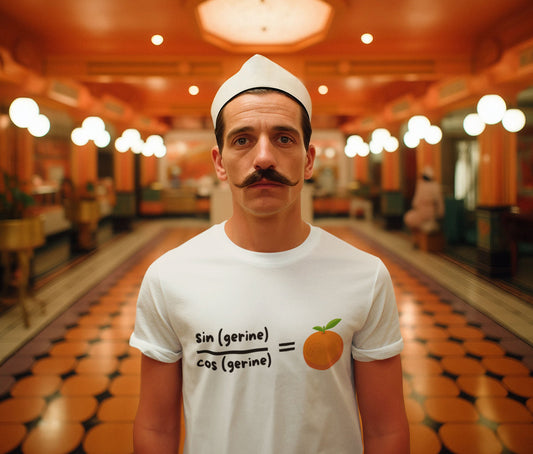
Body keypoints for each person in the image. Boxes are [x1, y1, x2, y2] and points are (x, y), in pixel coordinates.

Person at [130, 54, 409, 454]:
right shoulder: (169, 277)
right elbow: (156, 427)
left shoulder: (365, 276)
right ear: (220, 163)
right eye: (242, 140)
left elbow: (385, 430)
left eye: (283, 138)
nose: (263, 158)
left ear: (308, 160)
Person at [404, 166, 445, 234]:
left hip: (427, 215)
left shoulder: (421, 186)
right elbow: (440, 206)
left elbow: (415, 203)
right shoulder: (436, 186)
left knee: (409, 217)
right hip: (429, 215)